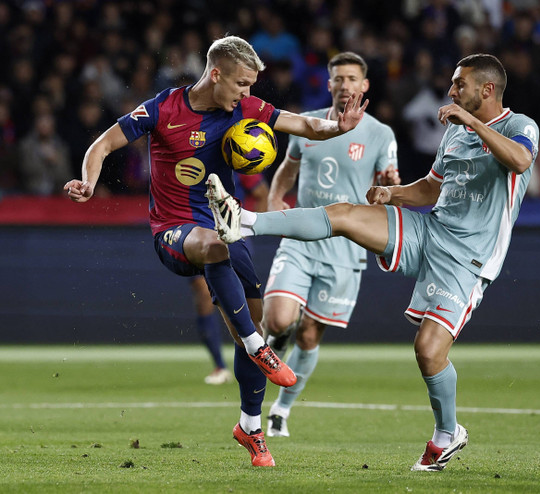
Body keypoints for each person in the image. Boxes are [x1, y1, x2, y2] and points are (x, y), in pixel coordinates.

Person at [207, 53, 539, 472]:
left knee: (428, 352)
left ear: (487, 90)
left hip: (468, 258)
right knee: (344, 214)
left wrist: (471, 122)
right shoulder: (454, 135)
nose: (451, 91)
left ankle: (447, 433)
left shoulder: (519, 126)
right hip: (430, 233)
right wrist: (392, 195)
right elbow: (431, 190)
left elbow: (521, 161)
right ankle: (244, 222)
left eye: (459, 84)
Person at [64, 35, 367, 468]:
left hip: (226, 231)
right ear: (216, 73)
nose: (248, 94)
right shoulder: (162, 108)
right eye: (243, 84)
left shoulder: (245, 109)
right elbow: (102, 145)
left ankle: (251, 427)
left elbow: (304, 125)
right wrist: (89, 182)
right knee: (220, 259)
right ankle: (257, 345)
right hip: (174, 233)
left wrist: (338, 126)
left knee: (251, 306)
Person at [260, 51, 401, 438]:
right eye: (338, 78)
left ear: (365, 85)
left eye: (353, 79)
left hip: (346, 248)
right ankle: (275, 342)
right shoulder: (308, 126)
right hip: (302, 239)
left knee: (308, 335)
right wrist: (277, 210)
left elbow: (389, 186)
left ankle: (281, 412)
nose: (345, 85)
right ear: (329, 83)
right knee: (277, 320)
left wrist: (387, 187)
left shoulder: (380, 134)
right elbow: (285, 173)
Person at [196, 173, 269, 386]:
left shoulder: (237, 158)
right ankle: (219, 364)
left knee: (248, 310)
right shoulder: (190, 155)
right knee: (203, 296)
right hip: (196, 237)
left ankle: (257, 360)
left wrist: (249, 231)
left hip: (232, 243)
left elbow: (262, 193)